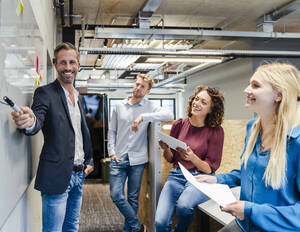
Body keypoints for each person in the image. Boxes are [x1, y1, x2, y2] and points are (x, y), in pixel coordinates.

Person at [196, 63, 300, 232]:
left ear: (279, 95)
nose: (246, 90)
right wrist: (218, 180)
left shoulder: (296, 142)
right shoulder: (252, 128)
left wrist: (251, 210)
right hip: (245, 225)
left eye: (255, 86)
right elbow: (250, 173)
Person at [11, 42, 94, 232]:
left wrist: (89, 161)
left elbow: (80, 132)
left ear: (78, 65)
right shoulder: (45, 93)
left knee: (71, 227)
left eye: (72, 62)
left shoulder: (78, 96)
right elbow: (36, 119)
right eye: (63, 62)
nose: (68, 67)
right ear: (56, 65)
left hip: (79, 174)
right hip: (57, 175)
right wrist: (29, 122)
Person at [108, 74, 173, 232]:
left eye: (142, 86)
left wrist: (143, 117)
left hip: (138, 159)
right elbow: (112, 131)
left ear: (148, 91)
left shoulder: (150, 106)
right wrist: (111, 152)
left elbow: (169, 115)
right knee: (116, 195)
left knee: (133, 198)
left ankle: (128, 229)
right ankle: (136, 226)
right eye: (137, 84)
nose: (138, 88)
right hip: (119, 157)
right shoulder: (119, 106)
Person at [155, 85, 225, 232]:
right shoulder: (179, 124)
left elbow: (209, 168)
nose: (196, 103)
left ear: (211, 109)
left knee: (184, 207)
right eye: (196, 99)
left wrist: (192, 157)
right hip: (176, 176)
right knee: (160, 222)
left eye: (203, 102)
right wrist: (166, 148)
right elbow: (171, 159)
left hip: (200, 178)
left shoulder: (216, 131)